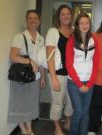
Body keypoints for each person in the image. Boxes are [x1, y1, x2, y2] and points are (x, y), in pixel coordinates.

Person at [8, 10, 45, 135]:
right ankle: (24, 131)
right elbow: (13, 56)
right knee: (19, 105)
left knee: (30, 104)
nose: (33, 21)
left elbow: (41, 60)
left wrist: (43, 78)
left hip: (35, 77)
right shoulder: (20, 37)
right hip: (21, 78)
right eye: (30, 18)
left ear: (39, 21)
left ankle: (29, 129)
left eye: (35, 18)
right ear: (26, 20)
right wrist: (29, 61)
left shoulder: (41, 38)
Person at [66, 13, 99, 135]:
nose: (85, 25)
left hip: (89, 82)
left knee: (85, 112)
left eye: (87, 23)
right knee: (79, 111)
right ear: (77, 25)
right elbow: (69, 65)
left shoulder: (94, 40)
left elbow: (96, 63)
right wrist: (80, 85)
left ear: (90, 24)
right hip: (74, 83)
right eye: (82, 23)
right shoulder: (72, 40)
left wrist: (89, 84)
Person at [46, 5, 73, 135]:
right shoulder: (53, 31)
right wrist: (53, 77)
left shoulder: (73, 32)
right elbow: (49, 56)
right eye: (63, 14)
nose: (66, 16)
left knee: (70, 101)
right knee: (58, 103)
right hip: (58, 73)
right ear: (58, 16)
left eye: (68, 14)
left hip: (71, 75)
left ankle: (68, 122)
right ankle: (57, 127)